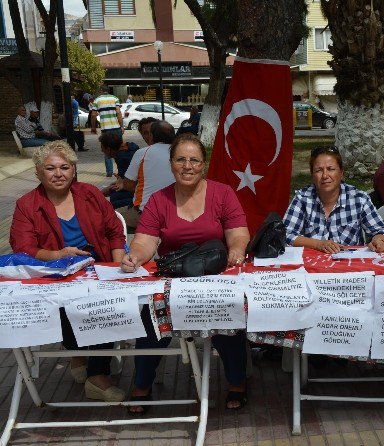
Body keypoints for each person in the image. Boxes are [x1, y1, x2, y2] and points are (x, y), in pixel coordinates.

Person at [120, 133, 250, 413]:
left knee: (229, 316)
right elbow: (144, 241)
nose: (187, 166)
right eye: (181, 159)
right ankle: (142, 383)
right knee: (151, 320)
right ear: (171, 164)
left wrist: (236, 251)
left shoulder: (223, 193)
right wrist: (135, 256)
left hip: (215, 276)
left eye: (194, 160)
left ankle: (237, 382)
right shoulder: (158, 200)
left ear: (203, 165)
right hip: (174, 278)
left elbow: (238, 234)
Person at [9, 141, 126, 402]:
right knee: (67, 313)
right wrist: (58, 255)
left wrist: (118, 268)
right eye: (50, 168)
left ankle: (97, 376)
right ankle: (80, 351)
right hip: (53, 277)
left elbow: (114, 231)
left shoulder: (90, 194)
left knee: (106, 305)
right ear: (38, 172)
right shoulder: (27, 205)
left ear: (74, 170)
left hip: (99, 270)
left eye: (65, 167)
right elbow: (23, 248)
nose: (58, 173)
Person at [284, 145, 384, 253]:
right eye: (319, 170)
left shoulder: (358, 199)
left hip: (351, 265)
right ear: (312, 175)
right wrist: (318, 244)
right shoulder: (302, 199)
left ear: (341, 173)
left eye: (330, 169)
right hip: (312, 265)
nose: (325, 175)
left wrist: (379, 239)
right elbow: (285, 235)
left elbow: (381, 231)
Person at [116, 120, 176, 231]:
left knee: (109, 218)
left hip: (145, 214)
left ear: (152, 136)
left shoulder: (143, 153)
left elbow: (128, 185)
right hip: (177, 213)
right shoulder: (181, 153)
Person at [99, 131, 140, 209]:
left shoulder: (122, 157)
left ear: (108, 149)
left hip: (139, 190)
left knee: (114, 197)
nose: (102, 151)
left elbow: (127, 183)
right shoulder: (129, 147)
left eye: (102, 148)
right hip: (137, 185)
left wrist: (100, 192)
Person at [90, 85, 124, 177]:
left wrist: (93, 127)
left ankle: (109, 172)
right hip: (116, 128)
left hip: (105, 129)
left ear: (101, 91)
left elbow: (93, 115)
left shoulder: (97, 100)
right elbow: (118, 112)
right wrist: (122, 126)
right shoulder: (115, 98)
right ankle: (122, 170)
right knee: (120, 149)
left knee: (107, 150)